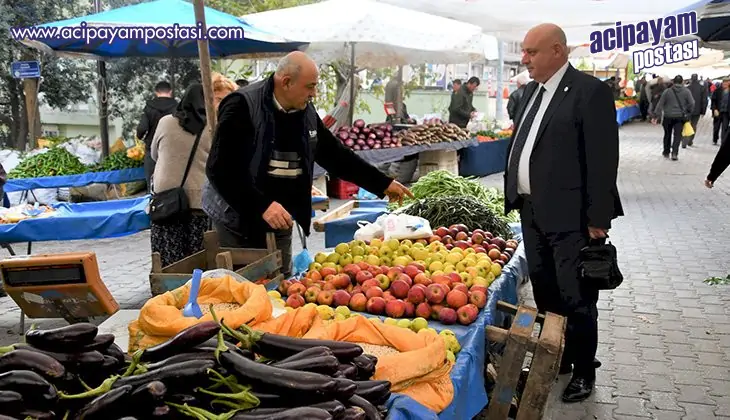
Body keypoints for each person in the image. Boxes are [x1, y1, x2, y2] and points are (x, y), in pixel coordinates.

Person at [204, 52, 412, 277]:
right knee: (240, 287)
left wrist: (382, 183)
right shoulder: (242, 105)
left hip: (280, 218)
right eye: (310, 87)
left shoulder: (306, 111)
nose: (313, 94)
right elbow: (219, 169)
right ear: (286, 82)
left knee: (279, 283)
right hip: (237, 219)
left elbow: (335, 155)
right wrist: (262, 205)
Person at [504, 23, 623, 403]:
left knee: (578, 298)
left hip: (572, 217)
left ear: (558, 51)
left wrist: (597, 220)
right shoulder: (526, 94)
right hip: (532, 211)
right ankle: (563, 357)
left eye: (531, 52)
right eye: (523, 51)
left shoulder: (590, 93)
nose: (524, 59)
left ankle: (585, 371)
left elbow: (603, 160)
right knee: (546, 292)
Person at [149, 74, 237, 267]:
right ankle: (195, 291)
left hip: (165, 201)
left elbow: (154, 155)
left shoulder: (165, 122)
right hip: (199, 203)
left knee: (167, 258)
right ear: (207, 99)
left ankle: (167, 292)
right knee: (197, 258)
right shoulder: (214, 129)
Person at [136, 81, 178, 189]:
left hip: (152, 147)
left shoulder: (149, 107)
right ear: (170, 92)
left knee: (151, 179)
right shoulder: (177, 107)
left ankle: (152, 199)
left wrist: (139, 137)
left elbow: (142, 128)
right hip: (171, 147)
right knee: (172, 179)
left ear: (156, 92)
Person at [650, 75, 695, 161]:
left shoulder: (667, 91)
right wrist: (688, 112)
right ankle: (675, 153)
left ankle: (666, 152)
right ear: (682, 82)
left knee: (667, 134)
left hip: (668, 116)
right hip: (680, 117)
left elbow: (660, 104)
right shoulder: (686, 91)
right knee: (677, 135)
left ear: (673, 82)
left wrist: (656, 115)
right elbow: (692, 103)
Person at [686, 74, 708, 147]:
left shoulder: (687, 88)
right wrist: (703, 111)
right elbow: (704, 100)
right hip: (697, 110)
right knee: (694, 125)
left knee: (686, 124)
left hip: (687, 110)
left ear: (691, 79)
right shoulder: (702, 88)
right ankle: (690, 140)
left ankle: (685, 139)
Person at [711, 78, 730, 146]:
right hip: (718, 112)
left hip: (726, 113)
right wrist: (714, 109)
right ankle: (715, 139)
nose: (725, 83)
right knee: (716, 127)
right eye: (724, 82)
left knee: (725, 128)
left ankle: (723, 141)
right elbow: (713, 101)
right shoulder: (717, 91)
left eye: (727, 82)